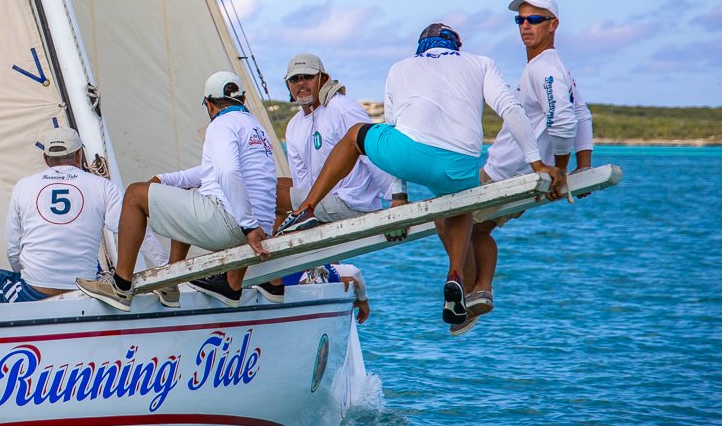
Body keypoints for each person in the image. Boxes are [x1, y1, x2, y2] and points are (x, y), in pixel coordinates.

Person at [280, 24, 557, 327]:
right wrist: (537, 164)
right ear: (456, 46)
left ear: (421, 47)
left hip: (408, 154)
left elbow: (392, 124)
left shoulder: (401, 67)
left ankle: (306, 209)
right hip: (459, 161)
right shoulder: (481, 63)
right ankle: (455, 274)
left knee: (354, 137)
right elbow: (511, 110)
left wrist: (399, 198)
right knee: (458, 203)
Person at [76, 70, 277, 312]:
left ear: (210, 104)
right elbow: (209, 171)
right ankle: (170, 283)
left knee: (135, 194)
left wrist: (248, 226)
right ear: (243, 100)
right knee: (179, 200)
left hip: (237, 227)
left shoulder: (221, 125)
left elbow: (227, 172)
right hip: (260, 226)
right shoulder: (256, 128)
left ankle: (120, 286)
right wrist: (164, 180)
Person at [457, 0, 594, 335]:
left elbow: (565, 121)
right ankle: (480, 292)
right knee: (479, 229)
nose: (525, 26)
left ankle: (472, 296)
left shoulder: (545, 69)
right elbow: (581, 113)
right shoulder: (554, 68)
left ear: (553, 24)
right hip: (523, 172)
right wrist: (583, 164)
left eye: (534, 19)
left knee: (457, 226)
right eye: (520, 20)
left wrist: (561, 168)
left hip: (506, 172)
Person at [0, 127, 125, 304]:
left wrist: (28, 275)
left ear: (46, 159)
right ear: (79, 155)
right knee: (93, 265)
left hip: (33, 292)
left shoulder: (23, 186)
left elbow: (13, 247)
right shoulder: (104, 186)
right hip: (86, 290)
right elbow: (127, 230)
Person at [274, 52, 393, 231]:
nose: (301, 82)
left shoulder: (342, 109)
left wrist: (395, 202)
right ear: (287, 85)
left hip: (354, 204)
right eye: (294, 79)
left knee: (266, 195)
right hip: (322, 203)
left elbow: (374, 155)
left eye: (308, 76)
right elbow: (302, 182)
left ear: (323, 78)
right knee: (269, 185)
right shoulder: (294, 125)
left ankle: (268, 250)